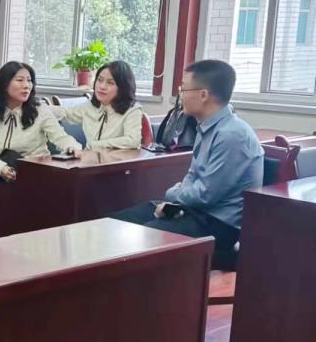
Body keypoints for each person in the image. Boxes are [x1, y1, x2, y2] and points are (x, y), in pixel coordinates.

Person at [111, 59, 263, 259]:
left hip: (218, 225)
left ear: (203, 95)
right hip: (195, 212)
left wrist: (172, 195)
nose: (180, 95)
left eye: (183, 89)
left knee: (140, 239)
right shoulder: (207, 126)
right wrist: (174, 202)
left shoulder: (232, 135)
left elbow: (206, 195)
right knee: (114, 224)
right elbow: (192, 177)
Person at [0, 61, 81, 183]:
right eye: (20, 80)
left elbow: (60, 137)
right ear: (4, 84)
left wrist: (72, 146)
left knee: (13, 160)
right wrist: (2, 168)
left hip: (35, 170)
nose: (26, 85)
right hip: (2, 170)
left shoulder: (39, 111)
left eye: (29, 80)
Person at [54, 61, 145, 150]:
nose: (102, 86)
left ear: (123, 87)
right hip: (89, 158)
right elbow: (65, 113)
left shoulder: (132, 110)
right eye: (100, 80)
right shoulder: (90, 106)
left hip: (116, 159)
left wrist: (95, 145)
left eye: (110, 83)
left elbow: (132, 140)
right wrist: (45, 108)